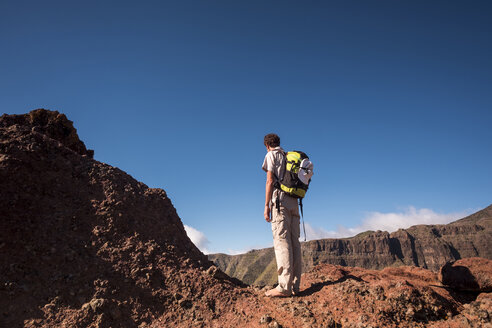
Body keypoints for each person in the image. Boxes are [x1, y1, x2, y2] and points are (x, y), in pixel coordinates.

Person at [262, 133, 302, 297]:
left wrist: (266, 205)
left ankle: (284, 288)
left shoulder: (271, 155)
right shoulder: (288, 157)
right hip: (294, 203)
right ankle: (295, 286)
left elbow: (270, 181)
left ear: (267, 145)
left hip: (280, 202)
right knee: (294, 242)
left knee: (282, 242)